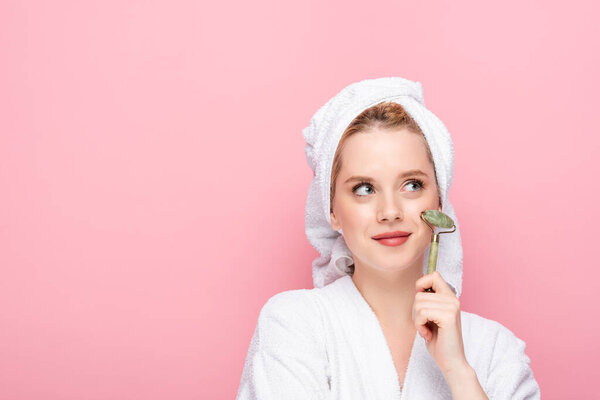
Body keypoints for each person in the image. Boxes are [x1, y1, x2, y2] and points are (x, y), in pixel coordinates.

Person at [235, 77, 541, 399]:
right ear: (331, 211)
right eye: (364, 189)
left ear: (439, 200)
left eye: (412, 185)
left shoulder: (496, 350)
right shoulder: (294, 323)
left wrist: (458, 371)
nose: (390, 211)